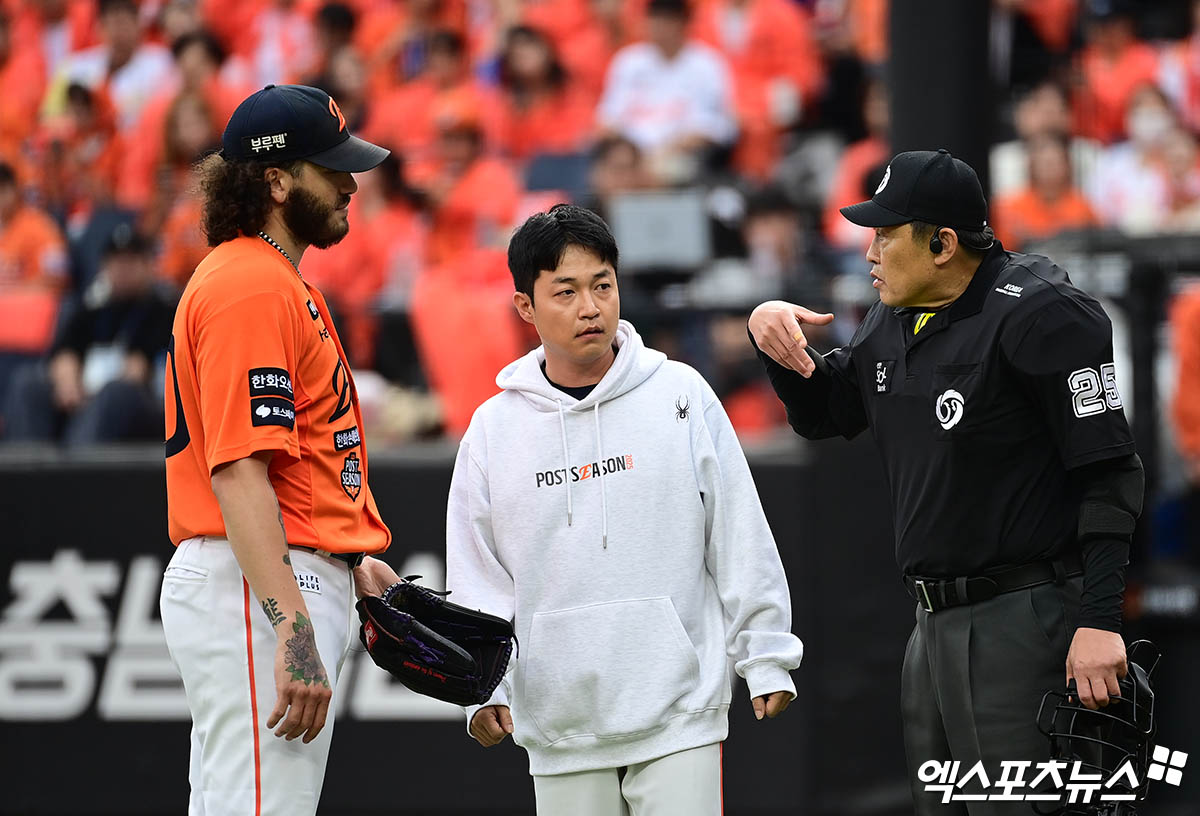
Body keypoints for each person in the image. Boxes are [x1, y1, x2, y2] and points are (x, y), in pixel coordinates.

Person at [748, 149, 1143, 814]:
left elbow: (1110, 470)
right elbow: (829, 412)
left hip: (1027, 617)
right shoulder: (895, 315)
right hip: (930, 627)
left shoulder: (1044, 315)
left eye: (884, 234)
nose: (867, 250)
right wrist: (780, 347)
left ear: (942, 243)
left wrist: (1101, 620)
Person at [446, 204, 802, 816]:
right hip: (560, 728)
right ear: (525, 308)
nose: (590, 306)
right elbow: (479, 579)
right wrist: (483, 689)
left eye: (602, 285)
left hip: (680, 715)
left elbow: (738, 534)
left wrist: (766, 653)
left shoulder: (682, 395)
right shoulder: (490, 431)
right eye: (566, 291)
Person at [158, 84, 400, 815]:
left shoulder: (268, 280)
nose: (351, 184)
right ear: (276, 179)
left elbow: (290, 467)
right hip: (256, 584)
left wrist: (347, 557)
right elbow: (238, 471)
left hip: (267, 576)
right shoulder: (250, 285)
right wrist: (293, 626)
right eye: (332, 169)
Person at [4, 224, 171, 445]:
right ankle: (28, 468)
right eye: (116, 261)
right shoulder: (92, 311)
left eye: (131, 261)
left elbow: (137, 370)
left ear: (147, 264)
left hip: (143, 407)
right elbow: (65, 352)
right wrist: (68, 384)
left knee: (117, 394)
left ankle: (81, 472)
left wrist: (93, 399)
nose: (123, 269)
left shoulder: (163, 311)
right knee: (28, 383)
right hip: (84, 398)